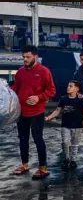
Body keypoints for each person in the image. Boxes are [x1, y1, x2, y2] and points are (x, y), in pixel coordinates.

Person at [11, 45, 56, 180]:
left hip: (37, 112)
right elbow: (15, 88)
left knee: (38, 139)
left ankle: (43, 168)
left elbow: (51, 91)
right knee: (23, 139)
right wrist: (6, 92)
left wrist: (38, 97)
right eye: (24, 57)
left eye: (28, 57)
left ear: (35, 57)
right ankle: (24, 165)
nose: (25, 59)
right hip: (21, 113)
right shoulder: (20, 72)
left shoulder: (44, 71)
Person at [45, 80, 83, 169]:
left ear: (76, 89)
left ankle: (73, 160)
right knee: (65, 142)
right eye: (68, 86)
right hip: (65, 125)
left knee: (74, 144)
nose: (68, 87)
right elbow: (57, 110)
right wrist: (49, 117)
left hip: (77, 126)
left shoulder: (81, 100)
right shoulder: (63, 98)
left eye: (71, 86)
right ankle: (66, 159)